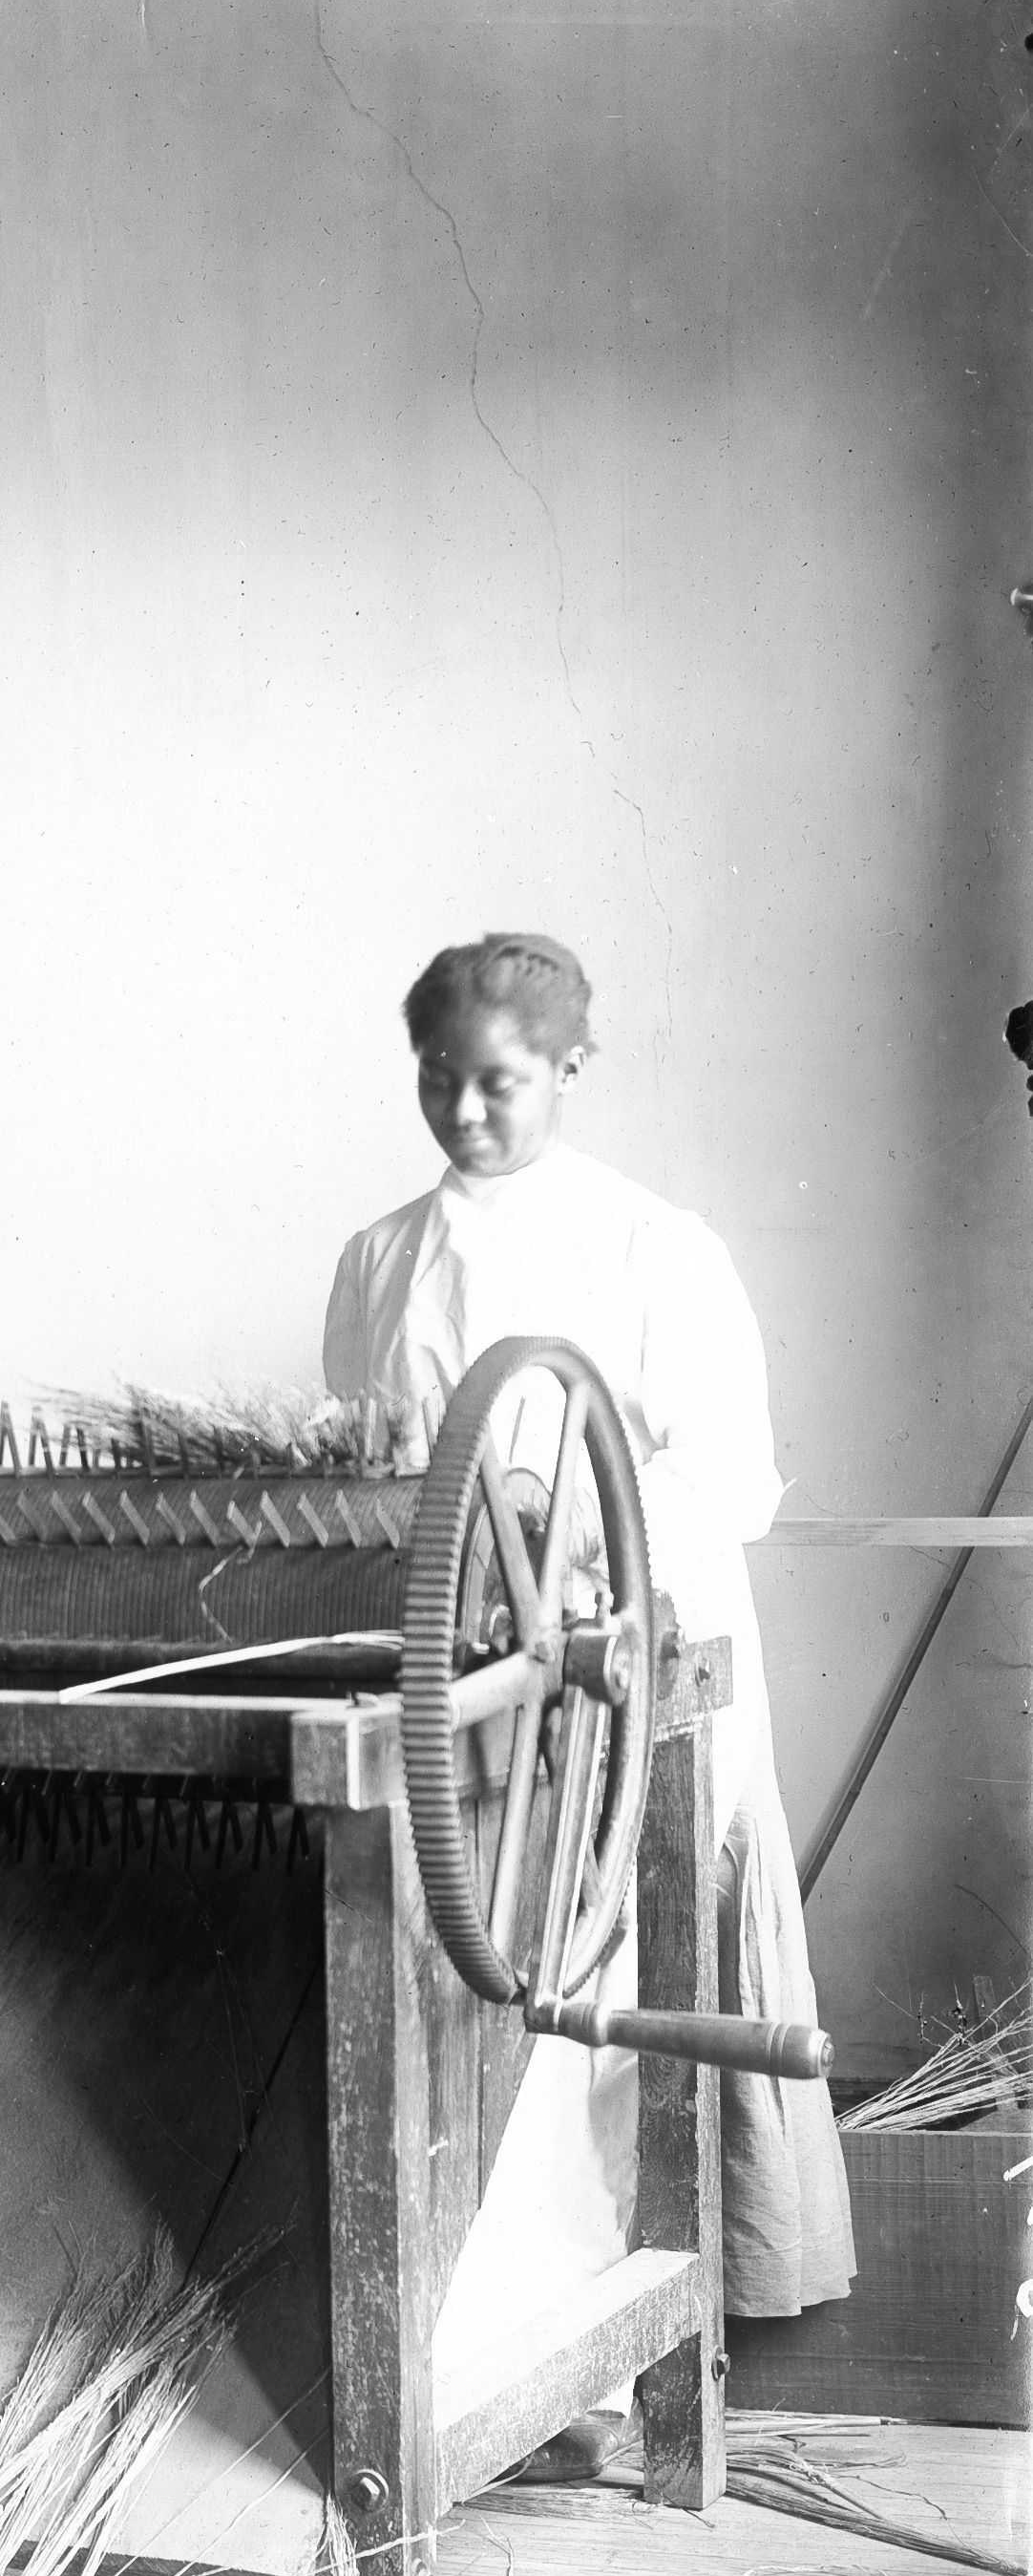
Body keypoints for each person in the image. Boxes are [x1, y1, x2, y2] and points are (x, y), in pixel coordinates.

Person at [325, 932, 854, 2338]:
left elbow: (721, 1479)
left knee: (598, 1991)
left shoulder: (652, 1247)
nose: (462, 1113)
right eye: (435, 1080)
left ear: (568, 1068)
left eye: (495, 1082)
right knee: (464, 1983)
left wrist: (573, 1584)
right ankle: (470, 2345)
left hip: (627, 1669)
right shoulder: (379, 1257)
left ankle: (597, 2354)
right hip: (460, 1681)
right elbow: (374, 1476)